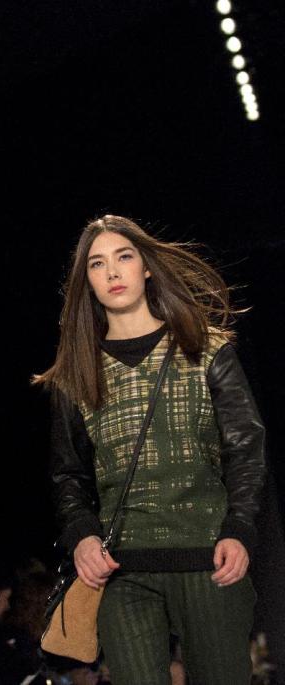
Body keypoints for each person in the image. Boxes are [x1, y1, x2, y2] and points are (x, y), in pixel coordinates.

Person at [35, 215, 266, 684]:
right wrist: (81, 534)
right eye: (97, 265)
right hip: (122, 571)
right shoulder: (75, 374)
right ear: (88, 283)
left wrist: (239, 528)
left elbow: (245, 445)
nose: (113, 272)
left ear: (145, 267)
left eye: (124, 257)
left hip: (209, 558)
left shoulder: (205, 349)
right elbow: (68, 474)